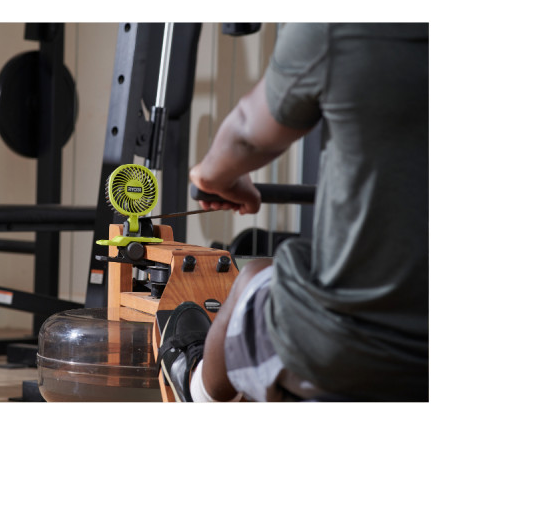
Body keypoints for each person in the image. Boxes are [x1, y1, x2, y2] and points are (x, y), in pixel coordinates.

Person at [158, 23, 429, 402]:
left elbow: (245, 135)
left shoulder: (337, 25)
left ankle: (196, 388)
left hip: (348, 351)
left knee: (254, 277)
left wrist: (213, 176)